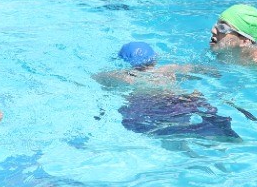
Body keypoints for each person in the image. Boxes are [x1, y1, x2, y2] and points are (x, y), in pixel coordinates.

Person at [96, 42, 238, 140]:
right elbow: (200, 69)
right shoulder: (169, 69)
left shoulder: (126, 77)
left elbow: (98, 77)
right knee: (199, 106)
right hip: (181, 100)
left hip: (151, 106)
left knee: (172, 133)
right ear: (155, 59)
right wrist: (214, 72)